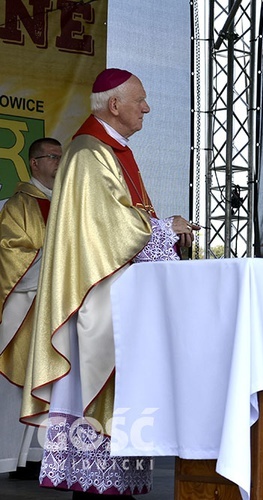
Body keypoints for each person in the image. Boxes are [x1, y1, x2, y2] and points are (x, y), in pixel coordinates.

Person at [21, 69, 196, 498]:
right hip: (97, 304)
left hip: (120, 302)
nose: (147, 108)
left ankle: (109, 486)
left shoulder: (112, 151)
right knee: (99, 407)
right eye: (141, 100)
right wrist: (165, 229)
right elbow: (114, 228)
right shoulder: (87, 152)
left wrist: (161, 230)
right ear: (114, 105)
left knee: (120, 415)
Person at [0, 138, 61, 477]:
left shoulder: (69, 202)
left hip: (58, 306)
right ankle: (12, 459)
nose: (58, 162)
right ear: (34, 163)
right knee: (18, 379)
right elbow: (11, 251)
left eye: (61, 157)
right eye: (52, 157)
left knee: (53, 379)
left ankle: (39, 457)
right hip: (27, 303)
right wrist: (53, 259)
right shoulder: (19, 204)